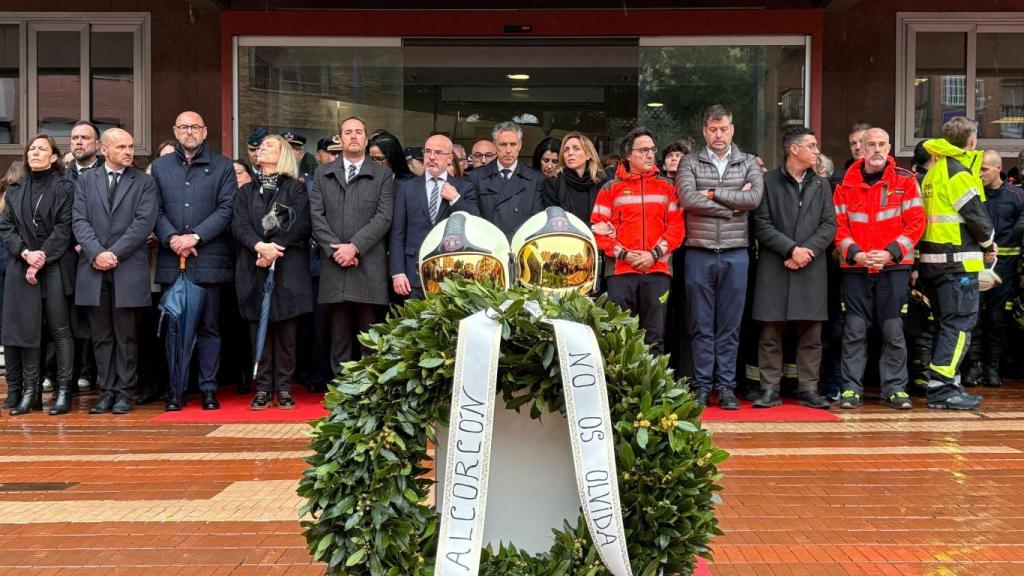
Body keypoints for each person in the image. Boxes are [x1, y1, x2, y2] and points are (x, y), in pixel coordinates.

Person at [677, 104, 764, 410]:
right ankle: (702, 386)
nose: (718, 134)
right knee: (701, 324)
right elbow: (688, 198)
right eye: (713, 129)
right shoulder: (689, 161)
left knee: (730, 325)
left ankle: (726, 387)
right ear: (704, 131)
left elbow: (753, 198)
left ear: (732, 129)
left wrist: (712, 194)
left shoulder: (748, 162)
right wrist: (730, 207)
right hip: (699, 252)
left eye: (723, 129)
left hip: (736, 252)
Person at [150, 111, 238, 411]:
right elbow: (154, 209)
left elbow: (227, 209)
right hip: (172, 259)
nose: (190, 132)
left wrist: (195, 237)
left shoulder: (223, 166)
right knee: (174, 329)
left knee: (209, 328)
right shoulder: (160, 167)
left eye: (195, 127)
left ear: (205, 131)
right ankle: (176, 390)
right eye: (184, 127)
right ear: (175, 131)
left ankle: (208, 389)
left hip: (209, 259)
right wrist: (173, 238)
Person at [832, 127, 926, 410]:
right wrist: (857, 255)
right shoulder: (844, 183)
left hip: (893, 267)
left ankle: (895, 390)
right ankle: (851, 390)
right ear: (860, 148)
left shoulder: (905, 180)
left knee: (893, 331)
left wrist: (889, 253)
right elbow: (838, 226)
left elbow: (916, 223)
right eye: (871, 144)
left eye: (881, 144)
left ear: (889, 147)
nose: (876, 149)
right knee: (854, 331)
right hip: (855, 268)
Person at [72, 128, 158, 415]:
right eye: (121, 147)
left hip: (127, 268)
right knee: (101, 336)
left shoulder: (144, 182)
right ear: (104, 150)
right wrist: (97, 253)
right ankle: (106, 392)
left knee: (126, 336)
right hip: (93, 269)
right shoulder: (86, 180)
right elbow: (79, 221)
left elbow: (143, 224)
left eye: (131, 146)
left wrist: (113, 254)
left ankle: (123, 392)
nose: (128, 152)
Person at [750, 127, 835, 409]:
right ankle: (769, 389)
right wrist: (790, 249)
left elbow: (829, 225)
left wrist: (805, 252)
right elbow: (761, 224)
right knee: (770, 332)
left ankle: (808, 388)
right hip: (776, 265)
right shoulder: (767, 182)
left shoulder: (821, 184)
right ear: (794, 149)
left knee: (811, 332)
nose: (816, 151)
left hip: (811, 265)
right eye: (812, 145)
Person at [918, 117, 995, 410]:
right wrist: (989, 245)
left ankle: (943, 385)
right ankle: (943, 390)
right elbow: (977, 218)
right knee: (959, 326)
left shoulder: (934, 171)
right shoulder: (958, 173)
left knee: (945, 325)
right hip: (957, 265)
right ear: (971, 141)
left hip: (934, 263)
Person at [233, 135, 313, 410]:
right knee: (259, 330)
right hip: (253, 266)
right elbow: (240, 225)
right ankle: (263, 387)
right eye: (260, 147)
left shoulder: (295, 189)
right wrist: (259, 246)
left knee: (287, 334)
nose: (262, 149)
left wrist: (273, 248)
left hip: (287, 268)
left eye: (269, 146)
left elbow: (299, 223)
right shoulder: (246, 191)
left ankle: (284, 387)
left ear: (283, 154)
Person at [309, 116, 394, 373]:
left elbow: (384, 217)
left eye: (358, 132)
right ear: (340, 138)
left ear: (366, 140)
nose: (354, 136)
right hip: (335, 263)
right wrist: (336, 249)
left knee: (370, 333)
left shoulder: (383, 174)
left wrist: (354, 247)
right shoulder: (322, 173)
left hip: (368, 263)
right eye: (348, 132)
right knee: (339, 333)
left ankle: (369, 388)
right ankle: (340, 386)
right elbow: (316, 216)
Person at [0, 135, 77, 416]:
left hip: (54, 264)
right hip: (23, 264)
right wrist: (26, 254)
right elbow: (6, 227)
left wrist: (41, 256)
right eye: (31, 149)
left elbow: (64, 227)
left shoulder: (66, 187)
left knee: (60, 329)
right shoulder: (16, 189)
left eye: (41, 149)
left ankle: (63, 391)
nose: (34, 152)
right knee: (28, 329)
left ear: (54, 157)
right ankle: (30, 392)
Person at [591, 127, 684, 355]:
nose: (650, 154)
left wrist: (654, 254)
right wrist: (624, 253)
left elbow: (677, 228)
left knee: (654, 337)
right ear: (628, 154)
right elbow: (599, 230)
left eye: (652, 149)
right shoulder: (610, 188)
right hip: (620, 272)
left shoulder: (668, 187)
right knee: (619, 337)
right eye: (643, 150)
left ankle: (653, 380)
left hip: (658, 270)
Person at [962, 150, 1024, 388]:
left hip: (1006, 268)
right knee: (973, 316)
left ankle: (993, 366)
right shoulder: (972, 194)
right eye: (978, 169)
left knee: (997, 318)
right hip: (974, 265)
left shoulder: (1016, 196)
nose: (980, 174)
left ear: (999, 168)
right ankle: (973, 365)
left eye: (984, 169)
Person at [390, 134, 479, 300]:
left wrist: (455, 199)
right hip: (413, 273)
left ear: (449, 158)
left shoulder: (463, 188)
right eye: (428, 151)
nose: (431, 157)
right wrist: (398, 273)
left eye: (438, 152)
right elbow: (397, 233)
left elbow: (475, 225)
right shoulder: (406, 188)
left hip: (451, 274)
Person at [467, 121, 544, 240]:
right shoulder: (476, 177)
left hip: (520, 243)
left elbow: (535, 219)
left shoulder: (535, 178)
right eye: (503, 144)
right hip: (489, 243)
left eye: (513, 144)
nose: (508, 150)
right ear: (494, 145)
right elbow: (474, 218)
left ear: (520, 145)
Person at [541, 131, 607, 225]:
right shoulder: (552, 184)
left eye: (576, 149)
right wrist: (591, 227)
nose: (570, 153)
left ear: (588, 155)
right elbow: (555, 221)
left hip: (599, 234)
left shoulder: (601, 183)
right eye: (566, 150)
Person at [830, 122, 871, 187]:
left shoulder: (886, 173)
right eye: (853, 143)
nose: (857, 147)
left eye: (862, 141)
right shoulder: (839, 178)